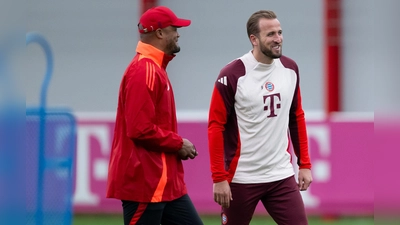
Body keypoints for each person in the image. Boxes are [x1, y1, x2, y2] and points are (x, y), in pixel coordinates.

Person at [208, 10, 313, 225]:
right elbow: (215, 126)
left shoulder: (290, 69)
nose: (278, 39)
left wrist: (305, 165)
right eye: (270, 34)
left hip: (280, 175)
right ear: (253, 39)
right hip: (241, 178)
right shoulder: (232, 75)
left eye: (280, 32)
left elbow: (296, 117)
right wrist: (219, 178)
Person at [106, 6, 203, 225]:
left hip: (165, 183)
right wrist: (179, 143)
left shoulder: (154, 68)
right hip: (146, 183)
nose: (178, 33)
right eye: (174, 28)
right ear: (159, 33)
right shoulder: (145, 70)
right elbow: (139, 128)